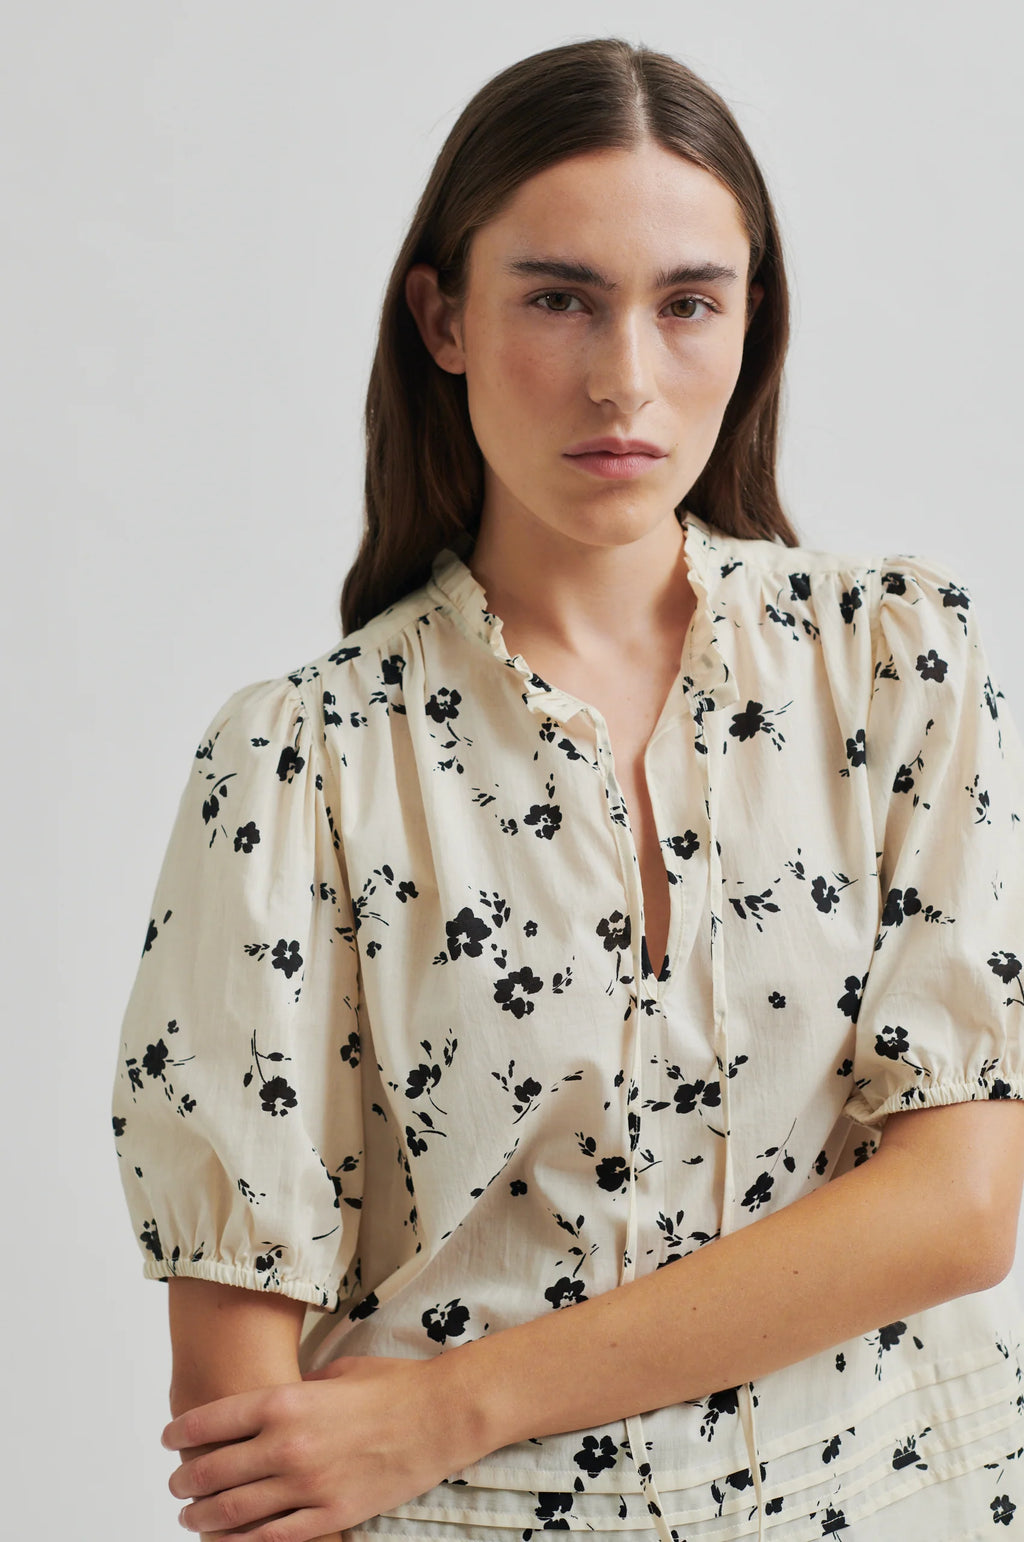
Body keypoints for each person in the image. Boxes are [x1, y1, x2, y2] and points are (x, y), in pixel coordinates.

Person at [110, 36, 1024, 1542]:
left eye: (687, 305)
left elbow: (959, 1208)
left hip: (908, 1492)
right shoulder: (301, 765)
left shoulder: (894, 666)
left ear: (752, 321)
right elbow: (249, 1427)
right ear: (442, 317)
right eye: (558, 297)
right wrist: (398, 1446)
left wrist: (453, 1403)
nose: (625, 379)